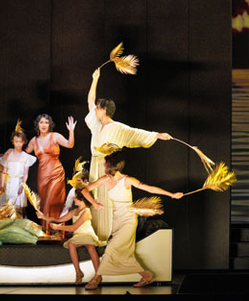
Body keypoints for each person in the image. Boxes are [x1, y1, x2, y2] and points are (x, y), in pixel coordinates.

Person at [86, 68, 172, 241]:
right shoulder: (96, 124)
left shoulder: (117, 127)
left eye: (97, 107)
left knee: (107, 201)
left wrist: (156, 135)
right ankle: (95, 235)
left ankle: (107, 236)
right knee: (94, 199)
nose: (94, 109)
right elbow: (90, 101)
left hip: (107, 167)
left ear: (104, 109)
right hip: (95, 165)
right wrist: (95, 79)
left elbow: (136, 133)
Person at [82, 151, 183, 290]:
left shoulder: (127, 180)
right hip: (116, 220)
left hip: (128, 220)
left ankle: (96, 278)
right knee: (124, 254)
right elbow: (84, 190)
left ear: (111, 165)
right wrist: (94, 203)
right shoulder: (104, 179)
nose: (103, 165)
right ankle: (146, 276)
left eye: (105, 163)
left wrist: (171, 194)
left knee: (111, 248)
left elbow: (149, 188)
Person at [37, 190, 104, 284]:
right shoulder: (74, 211)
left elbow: (74, 227)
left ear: (82, 199)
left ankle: (98, 275)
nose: (74, 199)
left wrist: (58, 227)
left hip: (87, 234)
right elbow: (58, 220)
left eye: (76, 197)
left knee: (90, 245)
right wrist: (43, 217)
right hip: (78, 235)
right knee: (71, 244)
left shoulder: (86, 212)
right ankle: (78, 272)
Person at [25, 114, 77, 232]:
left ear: (50, 125)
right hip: (42, 176)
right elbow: (24, 154)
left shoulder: (55, 136)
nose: (44, 125)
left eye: (46, 122)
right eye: (41, 122)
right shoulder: (34, 141)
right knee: (44, 203)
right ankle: (46, 231)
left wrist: (71, 131)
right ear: (37, 124)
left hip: (56, 174)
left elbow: (70, 144)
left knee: (53, 202)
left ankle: (56, 230)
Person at [0, 121, 36, 217]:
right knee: (9, 207)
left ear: (24, 142)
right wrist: (1, 186)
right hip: (10, 183)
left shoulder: (25, 157)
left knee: (21, 207)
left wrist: (22, 185)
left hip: (20, 183)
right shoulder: (9, 154)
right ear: (13, 141)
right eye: (16, 142)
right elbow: (4, 171)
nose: (18, 144)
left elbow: (25, 173)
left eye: (20, 142)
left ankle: (22, 224)